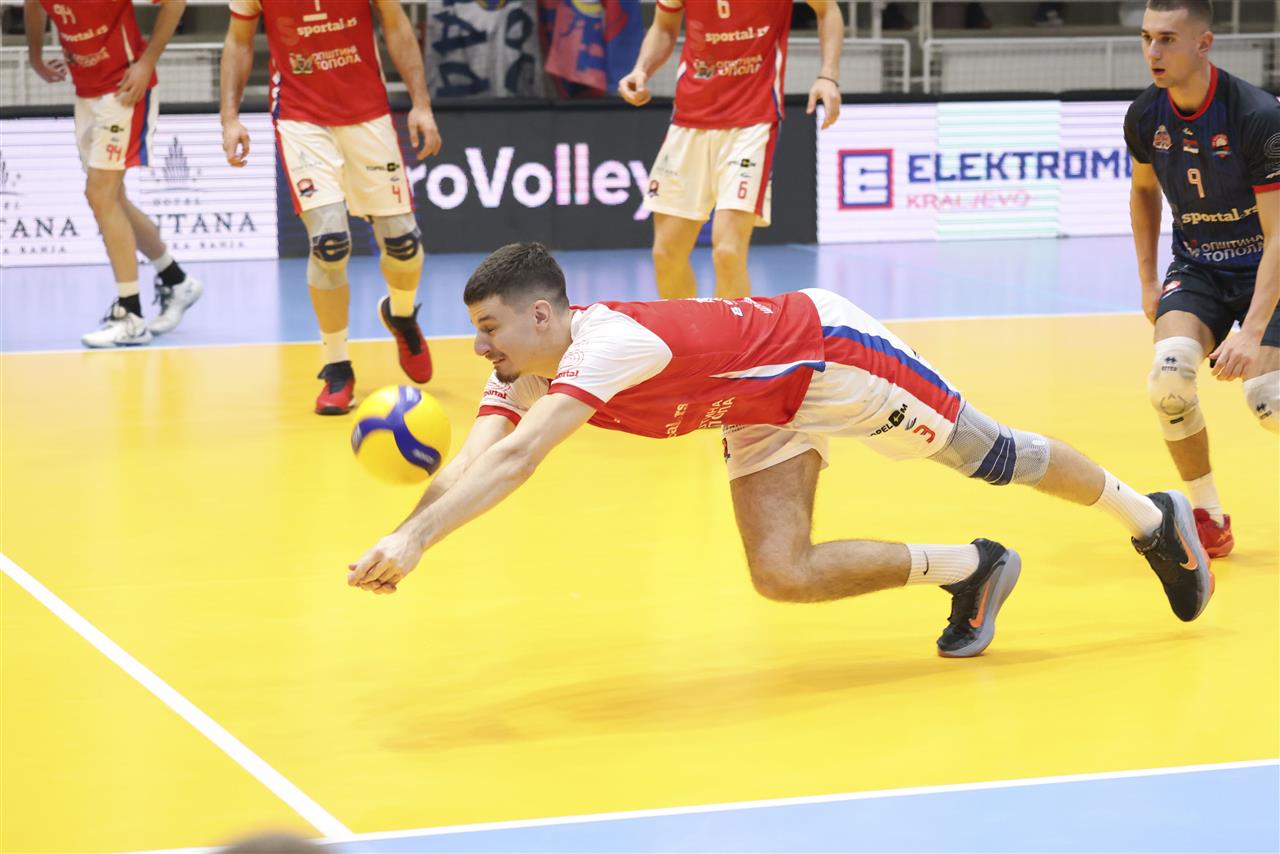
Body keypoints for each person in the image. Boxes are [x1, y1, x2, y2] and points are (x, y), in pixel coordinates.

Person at [347, 243, 1214, 659]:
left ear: (542, 316)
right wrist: (401, 535)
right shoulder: (524, 371)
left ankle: (1151, 518)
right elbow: (472, 461)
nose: (479, 349)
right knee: (781, 572)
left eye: (489, 329)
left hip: (828, 359)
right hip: (754, 409)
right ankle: (974, 569)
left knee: (995, 457)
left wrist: (418, 544)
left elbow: (518, 462)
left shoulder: (605, 347)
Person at [220, 0, 442, 415]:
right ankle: (337, 367)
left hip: (368, 113)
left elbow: (396, 26)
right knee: (329, 243)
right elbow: (238, 41)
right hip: (300, 117)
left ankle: (401, 316)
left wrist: (421, 104)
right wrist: (229, 118)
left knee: (403, 244)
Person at [1124, 0, 1279, 558]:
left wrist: (1252, 331)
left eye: (1167, 38)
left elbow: (1279, 233)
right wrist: (1148, 282)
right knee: (1167, 383)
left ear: (1204, 43)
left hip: (1267, 266)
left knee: (1269, 401)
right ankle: (1209, 517)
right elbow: (1144, 192)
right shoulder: (1145, 115)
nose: (1153, 51)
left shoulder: (1257, 115)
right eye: (1147, 37)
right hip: (1198, 268)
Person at [617, 0, 843, 301]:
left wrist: (828, 76)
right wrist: (641, 70)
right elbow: (664, 28)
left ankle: (732, 332)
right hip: (689, 120)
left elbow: (828, 9)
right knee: (666, 253)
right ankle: (688, 330)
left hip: (752, 122)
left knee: (727, 251)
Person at [25, 0, 203, 348]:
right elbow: (33, 5)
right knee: (112, 199)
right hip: (86, 91)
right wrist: (34, 57)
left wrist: (147, 61)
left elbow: (175, 3)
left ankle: (130, 315)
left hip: (124, 90)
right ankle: (176, 280)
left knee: (100, 194)